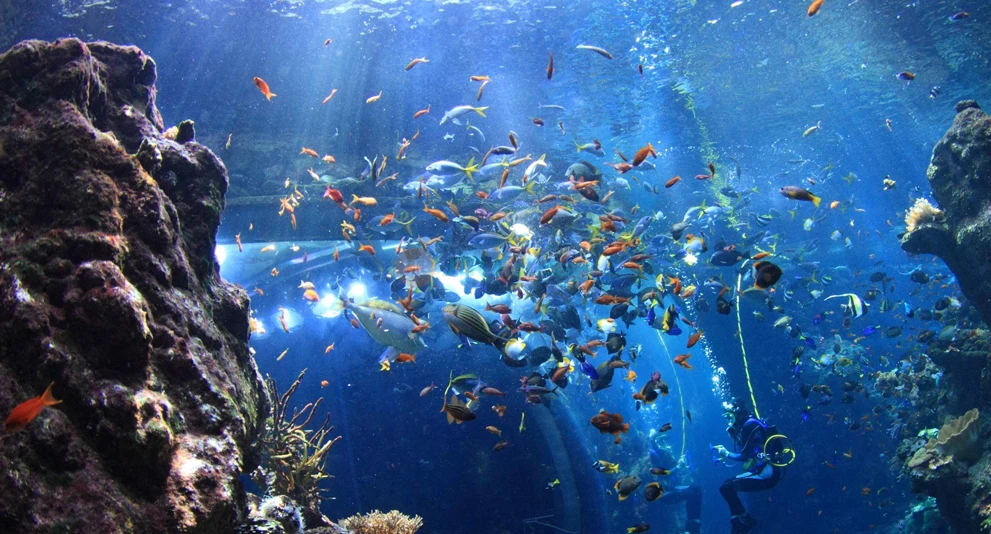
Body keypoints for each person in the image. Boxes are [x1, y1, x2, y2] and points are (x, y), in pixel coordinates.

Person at [710, 399, 784, 534]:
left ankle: (742, 522)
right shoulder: (749, 423)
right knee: (726, 485)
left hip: (767, 474)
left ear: (737, 413)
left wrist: (726, 453)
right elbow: (752, 450)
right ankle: (741, 520)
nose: (728, 420)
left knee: (726, 488)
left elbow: (744, 456)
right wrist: (735, 436)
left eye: (729, 416)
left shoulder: (749, 425)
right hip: (763, 470)